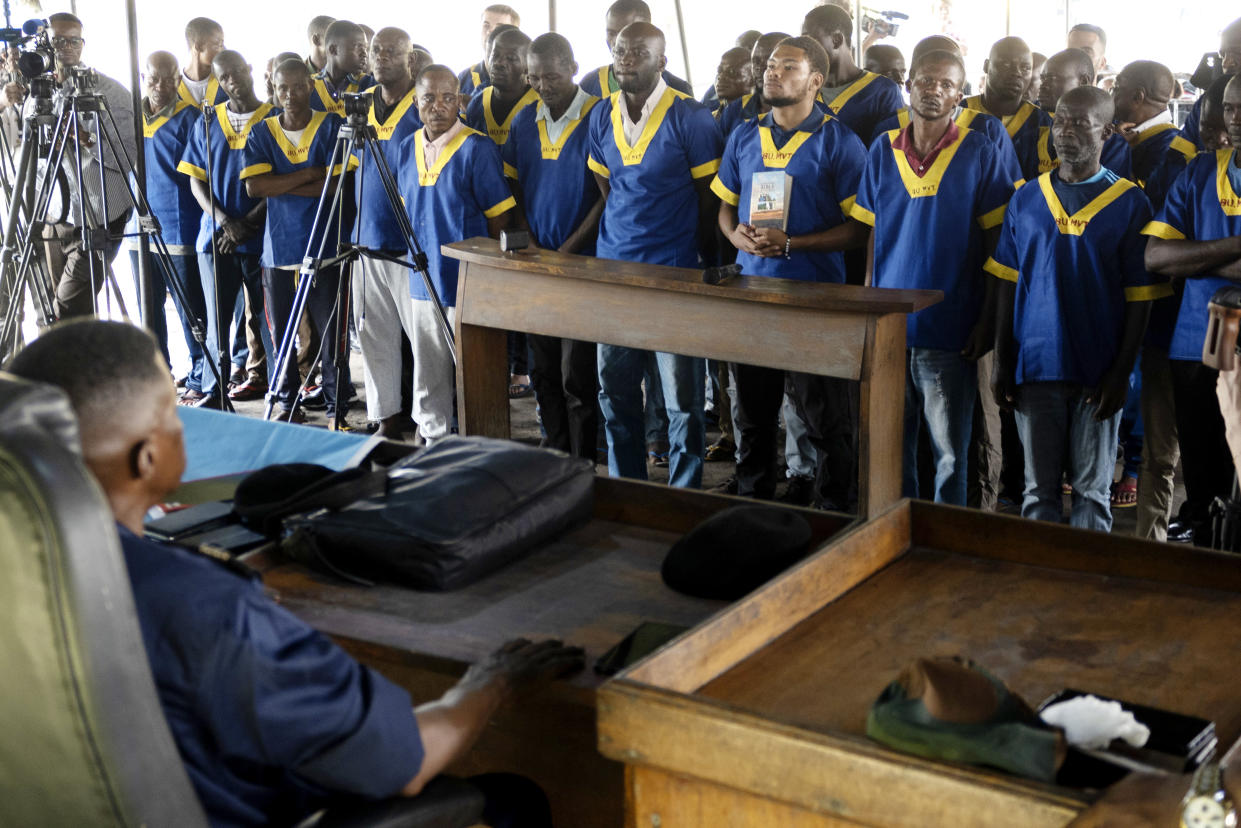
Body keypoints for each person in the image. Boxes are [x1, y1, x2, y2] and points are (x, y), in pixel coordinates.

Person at [4, 318, 584, 827]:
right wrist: (491, 682)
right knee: (512, 797)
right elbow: (406, 761)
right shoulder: (201, 606)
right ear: (147, 458)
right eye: (171, 413)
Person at [989, 86, 1165, 532]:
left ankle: (1091, 591)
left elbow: (1139, 299)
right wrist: (1002, 360)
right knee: (1037, 491)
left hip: (1098, 369)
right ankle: (1042, 585)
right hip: (1036, 366)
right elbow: (1009, 284)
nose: (1064, 132)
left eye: (1079, 123)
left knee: (1091, 492)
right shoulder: (1026, 198)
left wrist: (1121, 372)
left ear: (1106, 131)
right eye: (1059, 121)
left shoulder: (1130, 202)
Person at [851, 49, 1017, 506]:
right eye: (925, 81)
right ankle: (899, 531)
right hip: (889, 323)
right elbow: (872, 231)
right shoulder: (882, 150)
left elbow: (997, 245)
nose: (934, 90)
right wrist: (869, 300)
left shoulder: (979, 150)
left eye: (945, 85)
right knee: (895, 443)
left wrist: (987, 320)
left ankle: (945, 538)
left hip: (950, 326)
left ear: (960, 96)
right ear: (908, 86)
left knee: (950, 452)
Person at [712, 35, 868, 508]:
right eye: (771, 66)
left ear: (816, 81)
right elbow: (724, 207)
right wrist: (734, 236)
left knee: (824, 417)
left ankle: (833, 511)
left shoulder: (840, 142)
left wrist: (795, 243)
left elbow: (859, 229)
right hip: (753, 291)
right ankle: (752, 504)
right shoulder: (744, 134)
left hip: (814, 298)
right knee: (753, 415)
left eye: (788, 67)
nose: (772, 73)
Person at [587, 21, 722, 489]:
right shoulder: (600, 115)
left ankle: (683, 493)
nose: (626, 58)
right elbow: (607, 185)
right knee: (616, 392)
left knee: (681, 399)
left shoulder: (691, 116)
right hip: (615, 271)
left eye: (639, 52)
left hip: (674, 271)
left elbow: (709, 197)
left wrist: (679, 241)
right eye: (621, 50)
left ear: (662, 60)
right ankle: (627, 486)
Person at [1142, 74, 1241, 546]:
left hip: (1224, 328)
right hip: (1200, 338)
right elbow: (1157, 257)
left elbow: (1181, 257)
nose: (1236, 118)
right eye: (1229, 107)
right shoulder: (1201, 172)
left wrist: (1200, 258)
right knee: (1203, 467)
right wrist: (1234, 246)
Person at [394, 65, 516, 445]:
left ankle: (480, 443)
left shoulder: (477, 148)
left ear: (461, 102)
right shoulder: (405, 148)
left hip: (466, 282)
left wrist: (493, 279)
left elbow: (502, 219)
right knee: (428, 371)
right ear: (416, 103)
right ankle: (432, 441)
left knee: (475, 372)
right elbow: (409, 211)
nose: (439, 107)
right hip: (421, 280)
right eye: (429, 98)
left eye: (448, 97)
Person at [1109, 61, 1201, 540]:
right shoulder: (1131, 144)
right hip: (1137, 301)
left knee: (1160, 424)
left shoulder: (1176, 155)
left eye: (1119, 88)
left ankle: (1154, 533)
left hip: (1167, 307)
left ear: (1140, 94)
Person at [502, 33, 603, 461]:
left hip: (583, 264)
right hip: (537, 262)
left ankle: (583, 459)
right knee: (542, 369)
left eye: (553, 74)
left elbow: (606, 194)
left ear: (574, 68)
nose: (544, 84)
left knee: (576, 374)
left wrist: (568, 249)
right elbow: (515, 187)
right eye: (535, 76)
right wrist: (534, 244)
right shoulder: (525, 121)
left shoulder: (599, 116)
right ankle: (554, 450)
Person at [242, 59, 354, 425]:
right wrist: (308, 174)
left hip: (323, 245)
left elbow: (336, 185)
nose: (289, 95)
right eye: (281, 88)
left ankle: (338, 405)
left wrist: (282, 183)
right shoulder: (262, 132)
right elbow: (255, 187)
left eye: (297, 86)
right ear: (272, 89)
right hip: (278, 248)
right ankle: (288, 402)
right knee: (281, 334)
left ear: (310, 85)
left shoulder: (332, 125)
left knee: (331, 331)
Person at [177, 49, 274, 408]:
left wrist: (247, 224)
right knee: (217, 320)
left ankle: (280, 392)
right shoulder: (208, 119)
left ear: (249, 69)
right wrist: (224, 222)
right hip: (217, 238)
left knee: (269, 322)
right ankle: (215, 392)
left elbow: (281, 183)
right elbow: (195, 181)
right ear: (218, 80)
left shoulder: (273, 118)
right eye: (225, 76)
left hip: (262, 237)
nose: (233, 80)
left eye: (237, 72)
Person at [35, 12, 137, 321]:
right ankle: (70, 368)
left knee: (67, 310)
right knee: (58, 312)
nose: (65, 48)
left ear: (83, 45)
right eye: (57, 41)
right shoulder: (39, 93)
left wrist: (86, 139)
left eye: (73, 41)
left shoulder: (111, 92)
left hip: (100, 217)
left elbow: (128, 156)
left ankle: (58, 368)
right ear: (45, 44)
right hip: (54, 215)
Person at [349, 27, 424, 440]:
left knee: (422, 342)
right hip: (367, 239)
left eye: (392, 52)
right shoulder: (361, 105)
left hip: (410, 245)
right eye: (376, 51)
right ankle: (386, 417)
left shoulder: (422, 102)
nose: (381, 58)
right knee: (374, 336)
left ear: (410, 60)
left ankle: (430, 421)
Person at [130, 51, 211, 406]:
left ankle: (200, 375)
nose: (161, 86)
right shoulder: (129, 117)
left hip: (179, 229)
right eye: (153, 79)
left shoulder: (190, 118)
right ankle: (159, 374)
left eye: (169, 79)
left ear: (180, 80)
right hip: (137, 229)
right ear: (142, 77)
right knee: (148, 310)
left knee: (189, 309)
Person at [801, 4, 903, 143]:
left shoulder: (882, 92)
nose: (804, 50)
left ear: (836, 40)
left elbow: (888, 154)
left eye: (810, 41)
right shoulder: (803, 90)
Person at [963, 37, 1050, 181]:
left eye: (1025, 68)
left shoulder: (1043, 123)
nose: (1016, 73)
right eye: (1005, 64)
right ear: (986, 66)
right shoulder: (960, 113)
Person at [1036, 48, 1132, 178]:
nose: (1043, 86)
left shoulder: (1110, 143)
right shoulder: (1033, 130)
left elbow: (1107, 193)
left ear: (1083, 82)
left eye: (1052, 78)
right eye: (1042, 79)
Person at [580, 0, 693, 98]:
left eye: (625, 32)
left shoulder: (677, 88)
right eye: (611, 33)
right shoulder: (590, 85)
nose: (616, 41)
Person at [466, 28, 537, 147]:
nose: (499, 63)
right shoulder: (477, 103)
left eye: (511, 58)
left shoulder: (540, 106)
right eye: (495, 55)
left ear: (528, 67)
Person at [1181, 18, 1241, 149]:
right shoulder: (1207, 102)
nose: (1226, 63)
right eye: (1223, 55)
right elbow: (1177, 158)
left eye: (1237, 53)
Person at [716, 32, 790, 139]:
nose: (759, 67)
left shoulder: (816, 110)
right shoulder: (734, 111)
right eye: (755, 61)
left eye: (770, 61)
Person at [310, 20, 373, 117]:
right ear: (333, 50)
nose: (364, 54)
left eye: (365, 48)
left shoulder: (368, 84)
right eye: (358, 47)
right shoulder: (309, 87)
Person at [459, 4, 521, 100]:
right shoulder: (464, 78)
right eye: (486, 26)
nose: (490, 32)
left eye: (499, 27)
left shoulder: (528, 78)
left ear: (514, 34)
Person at [178, 17, 227, 107]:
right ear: (198, 47)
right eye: (218, 45)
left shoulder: (226, 82)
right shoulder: (174, 87)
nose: (223, 50)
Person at [709, 47, 752, 113]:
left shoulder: (763, 118)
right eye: (719, 71)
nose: (721, 77)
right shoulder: (711, 118)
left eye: (732, 72)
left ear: (753, 78)